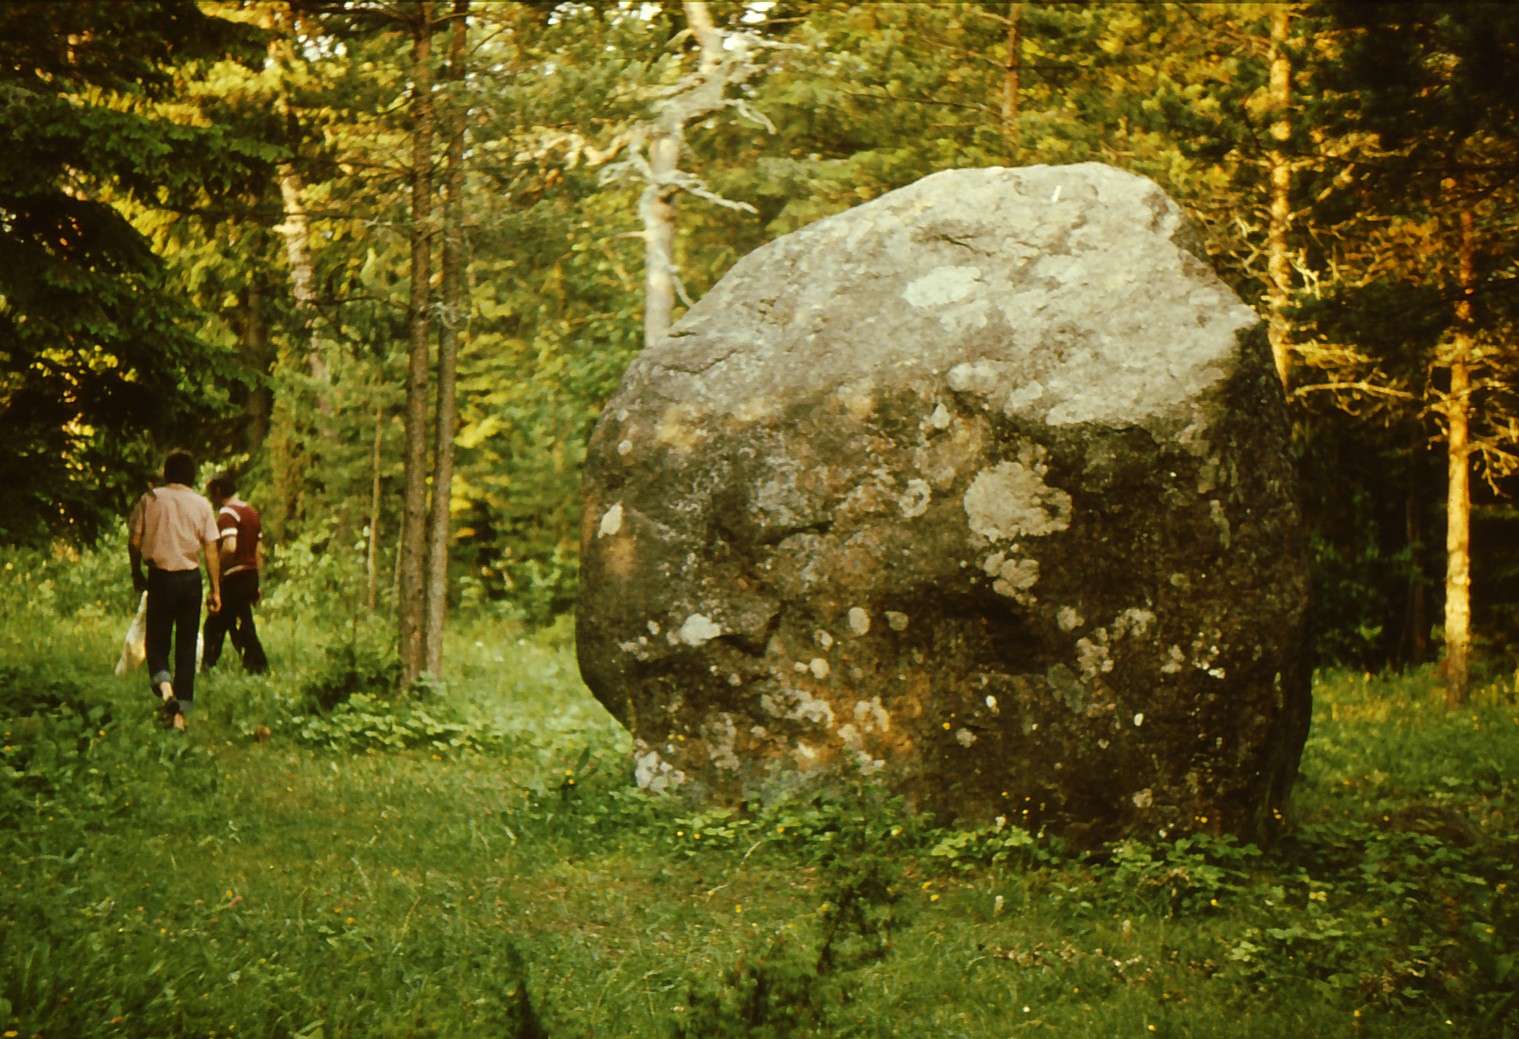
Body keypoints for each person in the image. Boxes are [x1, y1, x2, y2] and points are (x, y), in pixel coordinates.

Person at [128, 451, 222, 730]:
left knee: (156, 642)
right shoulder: (202, 504)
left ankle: (167, 693)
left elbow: (134, 541)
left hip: (160, 579)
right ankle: (180, 714)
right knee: (186, 644)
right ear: (192, 475)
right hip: (190, 580)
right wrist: (216, 589)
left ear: (166, 473)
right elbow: (211, 549)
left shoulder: (150, 499)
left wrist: (137, 572)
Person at [202, 472, 269, 674]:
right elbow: (259, 551)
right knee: (234, 622)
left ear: (219, 491)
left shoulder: (227, 514)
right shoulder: (251, 512)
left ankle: (256, 665)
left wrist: (218, 571)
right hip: (250, 574)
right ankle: (252, 665)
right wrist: (257, 581)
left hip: (234, 576)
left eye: (211, 494)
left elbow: (230, 546)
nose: (211, 500)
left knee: (218, 625)